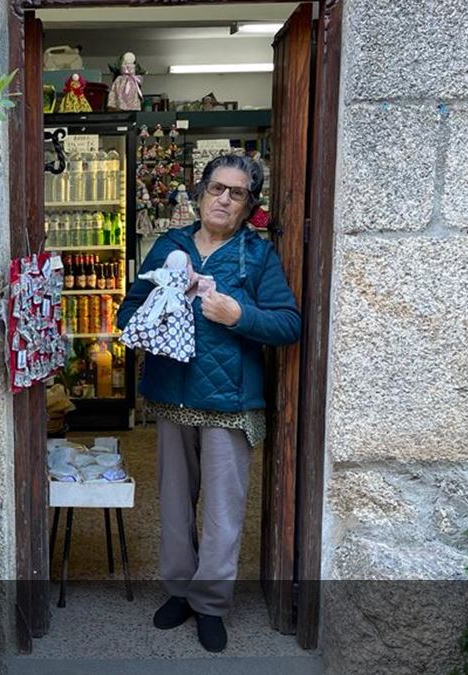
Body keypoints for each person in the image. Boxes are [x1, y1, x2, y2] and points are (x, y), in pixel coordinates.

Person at [116, 154, 301, 653]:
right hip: (171, 396)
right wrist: (153, 310)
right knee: (174, 505)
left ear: (247, 205)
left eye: (236, 193)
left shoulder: (255, 256)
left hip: (230, 402)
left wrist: (239, 313)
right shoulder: (170, 245)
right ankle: (179, 591)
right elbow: (127, 310)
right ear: (200, 193)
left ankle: (211, 604)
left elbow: (289, 323)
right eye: (217, 188)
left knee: (223, 512)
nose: (224, 199)